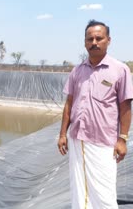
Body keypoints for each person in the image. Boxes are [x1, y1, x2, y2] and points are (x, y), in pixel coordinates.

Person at [58, 19, 133, 208]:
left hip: (103, 142)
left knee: (104, 192)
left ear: (108, 40)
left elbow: (125, 107)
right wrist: (62, 135)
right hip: (77, 139)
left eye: (99, 38)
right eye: (90, 38)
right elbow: (69, 104)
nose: (94, 42)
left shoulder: (120, 70)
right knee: (79, 188)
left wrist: (122, 139)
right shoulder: (77, 71)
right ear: (84, 42)